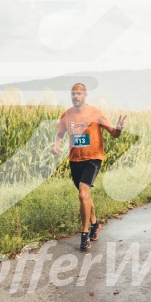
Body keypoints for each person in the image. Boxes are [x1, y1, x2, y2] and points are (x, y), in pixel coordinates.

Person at [52, 83, 127, 250]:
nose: (75, 97)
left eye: (79, 94)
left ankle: (84, 234)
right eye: (73, 94)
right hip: (75, 160)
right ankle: (95, 224)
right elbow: (59, 134)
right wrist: (56, 145)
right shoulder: (67, 115)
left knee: (83, 193)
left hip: (93, 158)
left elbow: (113, 133)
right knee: (85, 196)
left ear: (85, 95)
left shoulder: (96, 113)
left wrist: (119, 129)